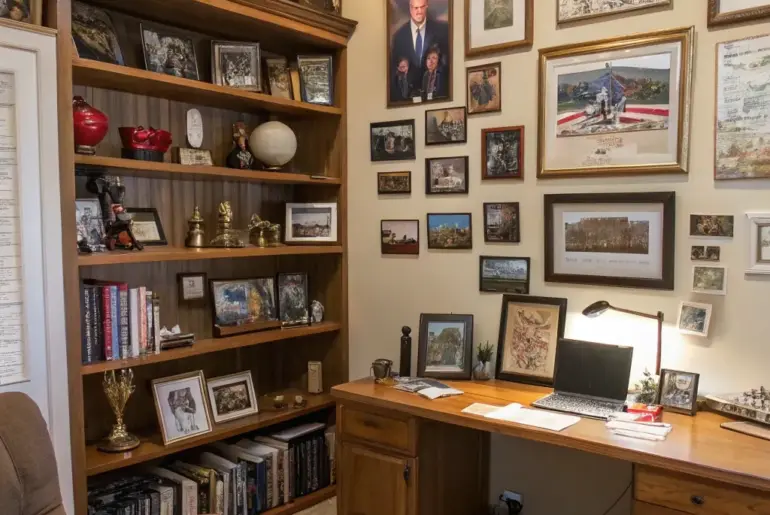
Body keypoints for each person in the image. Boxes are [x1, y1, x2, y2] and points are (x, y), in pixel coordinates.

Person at [389, 0, 450, 103]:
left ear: (427, 6)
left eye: (422, 7)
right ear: (410, 8)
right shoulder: (399, 37)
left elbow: (448, 66)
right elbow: (393, 74)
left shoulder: (442, 31)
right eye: (416, 8)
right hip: (407, 101)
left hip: (437, 98)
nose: (419, 11)